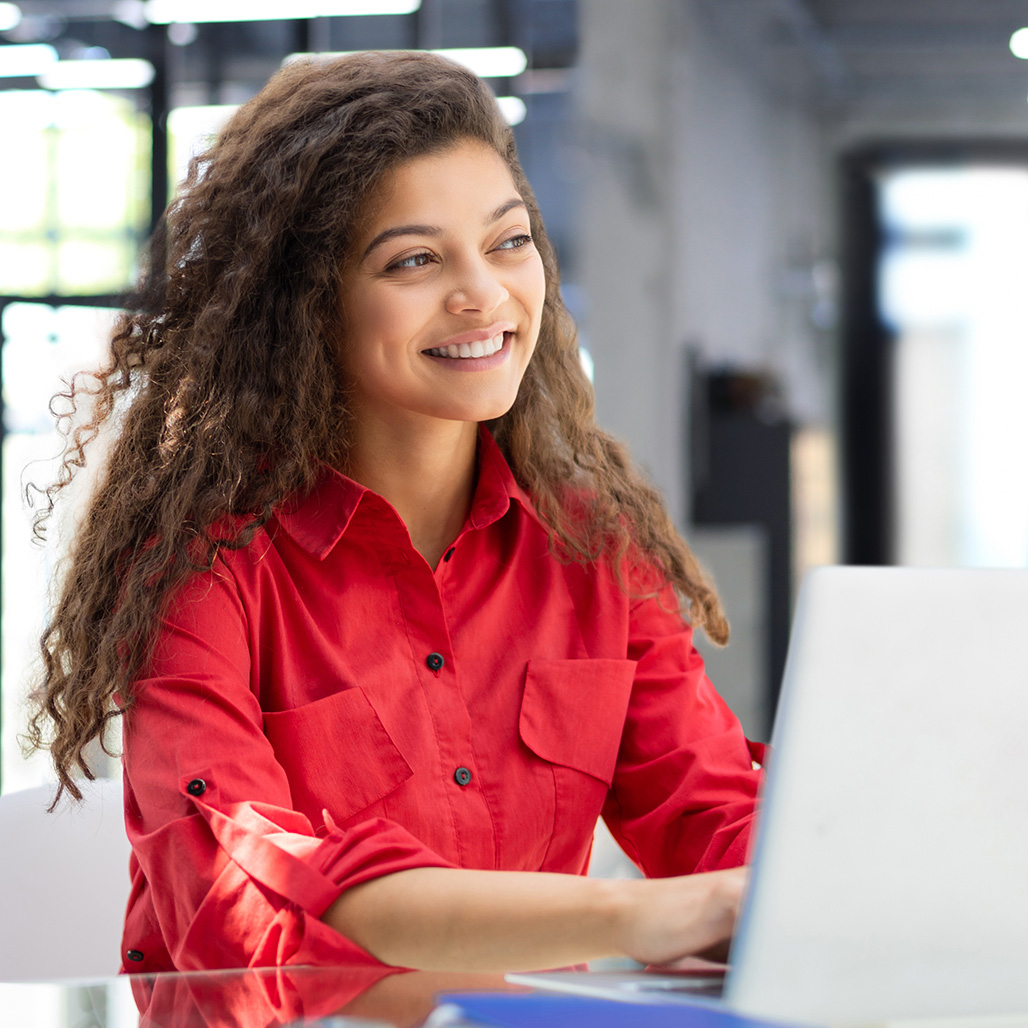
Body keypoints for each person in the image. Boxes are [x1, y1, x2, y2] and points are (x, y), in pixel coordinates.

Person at [27, 50, 763, 975]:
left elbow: (712, 814)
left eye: (508, 242)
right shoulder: (204, 568)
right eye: (414, 260)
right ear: (308, 307)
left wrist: (807, 876)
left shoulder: (590, 545)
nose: (484, 295)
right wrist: (621, 917)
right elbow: (242, 906)